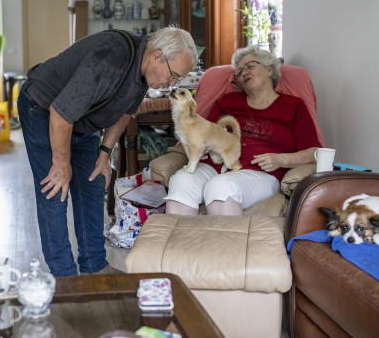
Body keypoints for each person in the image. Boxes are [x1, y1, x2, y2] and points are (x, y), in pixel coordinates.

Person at [18, 27, 196, 276]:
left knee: (92, 184)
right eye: (173, 75)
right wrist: (61, 163)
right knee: (55, 189)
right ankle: (64, 277)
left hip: (81, 119)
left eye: (178, 80)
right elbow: (60, 112)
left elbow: (125, 111)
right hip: (45, 108)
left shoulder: (145, 71)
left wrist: (104, 152)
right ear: (156, 55)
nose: (172, 84)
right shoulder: (110, 58)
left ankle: (94, 266)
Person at [164, 45, 321, 216]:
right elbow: (204, 130)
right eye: (239, 72)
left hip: (260, 173)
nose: (244, 73)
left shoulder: (293, 106)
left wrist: (280, 159)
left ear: (269, 69)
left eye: (250, 66)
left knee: (221, 187)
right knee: (181, 179)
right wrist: (202, 146)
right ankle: (181, 242)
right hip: (217, 164)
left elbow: (315, 153)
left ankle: (227, 243)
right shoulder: (228, 101)